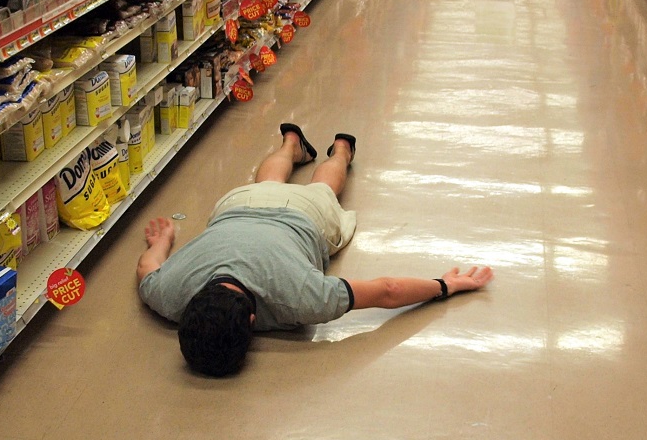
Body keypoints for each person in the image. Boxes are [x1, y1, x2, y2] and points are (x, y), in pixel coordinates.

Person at [137, 123, 494, 377]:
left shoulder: (302, 300)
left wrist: (446, 285)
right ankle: (291, 143)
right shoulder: (168, 295)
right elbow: (147, 268)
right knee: (269, 182)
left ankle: (341, 149)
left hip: (303, 216)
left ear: (251, 322)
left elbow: (388, 291)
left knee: (323, 187)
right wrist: (162, 243)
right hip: (236, 205)